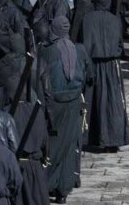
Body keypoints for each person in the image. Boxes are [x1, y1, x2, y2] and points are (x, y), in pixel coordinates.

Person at [38, 16, 90, 203]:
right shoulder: (79, 50)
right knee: (69, 145)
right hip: (74, 102)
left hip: (54, 103)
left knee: (54, 144)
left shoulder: (47, 51)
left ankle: (49, 184)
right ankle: (64, 189)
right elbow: (87, 75)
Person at [81, 0, 129, 152]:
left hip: (93, 64)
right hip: (111, 67)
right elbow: (120, 46)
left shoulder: (87, 19)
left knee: (94, 101)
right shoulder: (115, 20)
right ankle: (112, 140)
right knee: (112, 103)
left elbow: (85, 45)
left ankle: (93, 138)